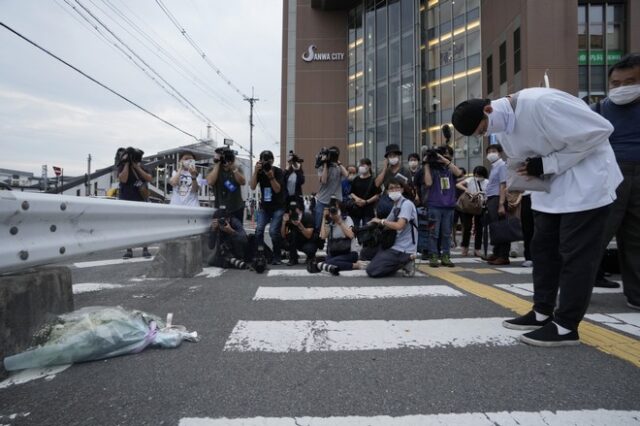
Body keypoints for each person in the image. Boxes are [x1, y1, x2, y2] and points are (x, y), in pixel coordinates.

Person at [452, 87, 622, 347]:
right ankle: (542, 312)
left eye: (482, 130)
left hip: (585, 186)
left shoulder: (542, 102)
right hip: (548, 192)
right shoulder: (504, 126)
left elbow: (600, 130)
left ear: (488, 110)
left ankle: (567, 325)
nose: (485, 136)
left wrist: (547, 164)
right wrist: (520, 176)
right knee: (542, 250)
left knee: (575, 255)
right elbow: (525, 159)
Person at [591, 54, 640, 301]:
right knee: (594, 235)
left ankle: (637, 295)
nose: (622, 88)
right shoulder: (597, 109)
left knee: (636, 239)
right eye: (616, 83)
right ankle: (571, 294)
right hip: (609, 173)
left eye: (629, 82)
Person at [366, 178, 418, 278]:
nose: (394, 191)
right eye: (391, 188)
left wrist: (381, 221)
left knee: (372, 270)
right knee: (366, 253)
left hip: (403, 248)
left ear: (402, 189)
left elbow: (399, 226)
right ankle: (390, 261)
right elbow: (387, 222)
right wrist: (371, 223)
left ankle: (406, 261)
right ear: (387, 191)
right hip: (393, 243)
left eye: (397, 188)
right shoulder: (396, 205)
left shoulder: (406, 204)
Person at [423, 145, 464, 267]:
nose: (440, 158)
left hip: (449, 206)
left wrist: (446, 161)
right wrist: (426, 164)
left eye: (444, 155)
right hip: (434, 205)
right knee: (433, 233)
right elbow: (428, 183)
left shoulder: (450, 168)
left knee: (447, 234)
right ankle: (433, 256)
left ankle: (446, 256)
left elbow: (459, 173)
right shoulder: (431, 168)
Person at [251, 150, 286, 265]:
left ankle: (277, 256)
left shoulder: (278, 171)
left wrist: (271, 177)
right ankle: (261, 255)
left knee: (273, 232)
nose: (266, 163)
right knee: (259, 230)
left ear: (272, 161)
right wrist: (256, 172)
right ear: (260, 161)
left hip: (278, 207)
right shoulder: (260, 172)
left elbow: (277, 189)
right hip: (265, 207)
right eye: (264, 160)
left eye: (268, 160)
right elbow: (252, 186)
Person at [117, 147, 152, 259]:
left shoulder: (142, 167)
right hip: (126, 199)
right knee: (127, 226)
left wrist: (137, 167)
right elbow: (123, 179)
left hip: (141, 200)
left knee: (143, 226)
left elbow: (149, 178)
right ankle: (129, 250)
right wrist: (127, 164)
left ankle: (145, 248)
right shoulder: (122, 167)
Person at [314, 201, 362, 275]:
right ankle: (329, 265)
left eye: (336, 209)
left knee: (330, 262)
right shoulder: (330, 222)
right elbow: (323, 236)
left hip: (349, 253)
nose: (334, 211)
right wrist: (324, 218)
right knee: (329, 260)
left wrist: (340, 222)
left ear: (340, 210)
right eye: (332, 209)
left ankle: (355, 265)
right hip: (334, 253)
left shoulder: (347, 219)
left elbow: (351, 235)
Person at [481, 144, 510, 265]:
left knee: (501, 227)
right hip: (492, 198)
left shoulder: (502, 166)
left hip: (498, 198)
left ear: (500, 153)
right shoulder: (494, 167)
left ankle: (503, 255)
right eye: (489, 151)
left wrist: (501, 204)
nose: (491, 153)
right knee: (495, 228)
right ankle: (496, 253)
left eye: (494, 151)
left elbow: (503, 185)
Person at [206, 146, 246, 222]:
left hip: (236, 206)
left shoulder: (237, 168)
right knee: (222, 230)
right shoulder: (212, 169)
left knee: (237, 231)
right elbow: (210, 182)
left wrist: (234, 169)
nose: (226, 160)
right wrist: (217, 163)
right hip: (220, 207)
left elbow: (243, 182)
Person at [456, 165, 488, 257]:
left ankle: (477, 249)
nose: (477, 177)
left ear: (484, 175)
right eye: (476, 175)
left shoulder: (487, 182)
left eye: (479, 175)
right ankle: (464, 248)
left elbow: (489, 192)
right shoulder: (470, 179)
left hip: (481, 206)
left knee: (479, 229)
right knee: (467, 227)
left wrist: (480, 193)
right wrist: (467, 190)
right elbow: (458, 184)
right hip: (469, 205)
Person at [374, 144, 413, 218]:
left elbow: (410, 189)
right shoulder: (384, 171)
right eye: (390, 156)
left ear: (398, 156)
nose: (392, 158)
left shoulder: (405, 171)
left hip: (401, 201)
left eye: (394, 155)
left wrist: (403, 184)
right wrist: (385, 168)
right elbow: (377, 184)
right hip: (387, 201)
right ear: (387, 158)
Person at [314, 146, 348, 230]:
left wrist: (338, 163)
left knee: (336, 225)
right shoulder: (321, 166)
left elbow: (347, 176)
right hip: (322, 201)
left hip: (336, 201)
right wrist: (325, 164)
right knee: (319, 225)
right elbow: (324, 181)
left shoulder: (338, 167)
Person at [280, 201, 317, 268]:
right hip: (296, 241)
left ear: (300, 210)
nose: (293, 212)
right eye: (291, 210)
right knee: (286, 239)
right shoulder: (289, 218)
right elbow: (283, 236)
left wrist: (300, 225)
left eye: (295, 209)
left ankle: (310, 256)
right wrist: (284, 222)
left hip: (307, 241)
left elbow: (309, 236)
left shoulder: (307, 216)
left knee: (310, 249)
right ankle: (293, 258)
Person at [349, 158, 380, 228]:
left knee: (366, 231)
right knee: (354, 229)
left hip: (368, 210)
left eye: (363, 165)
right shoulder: (356, 179)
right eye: (360, 165)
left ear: (369, 166)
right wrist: (357, 199)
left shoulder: (374, 179)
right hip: (356, 210)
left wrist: (366, 202)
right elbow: (351, 192)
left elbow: (377, 195)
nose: (361, 167)